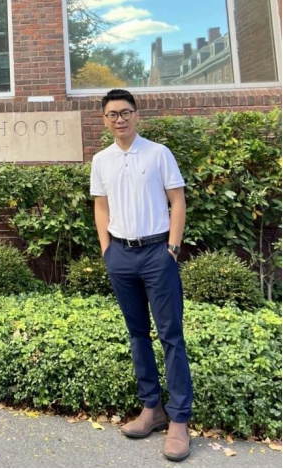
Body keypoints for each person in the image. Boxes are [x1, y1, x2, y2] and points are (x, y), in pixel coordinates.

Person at [90, 89, 193, 462]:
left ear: (136, 115)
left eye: (125, 112)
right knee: (137, 335)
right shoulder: (101, 160)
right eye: (112, 114)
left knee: (171, 335)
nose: (119, 119)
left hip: (156, 254)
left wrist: (172, 249)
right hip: (121, 255)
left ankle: (179, 419)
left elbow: (177, 201)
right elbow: (101, 207)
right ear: (104, 120)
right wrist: (107, 250)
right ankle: (152, 408)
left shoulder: (158, 153)